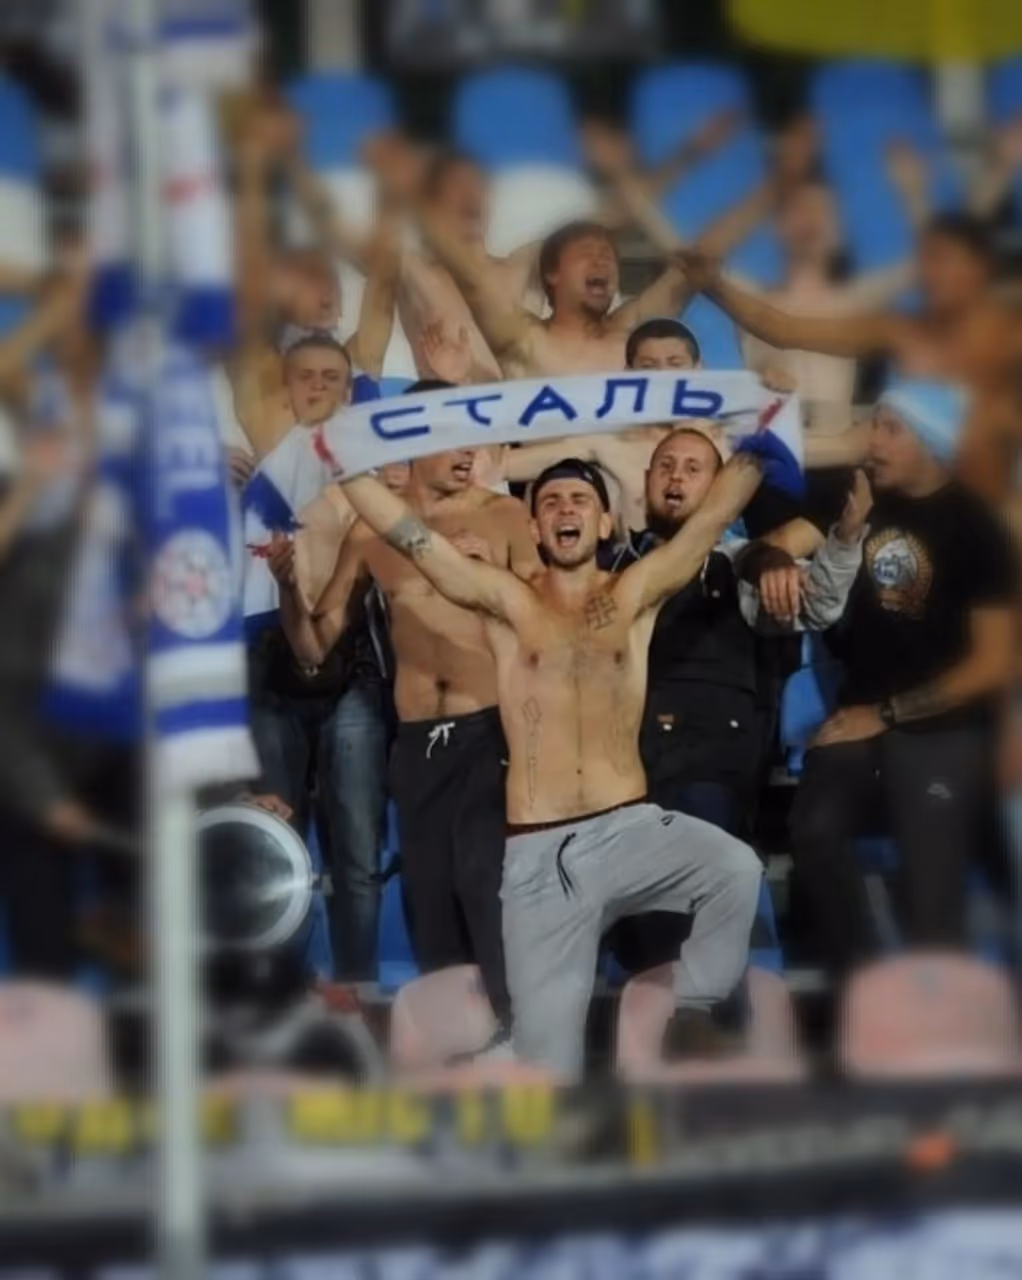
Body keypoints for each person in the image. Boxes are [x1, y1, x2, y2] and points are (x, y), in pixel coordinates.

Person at [336, 437, 795, 1077]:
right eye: (550, 502)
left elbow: (707, 524)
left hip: (629, 829)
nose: (565, 509)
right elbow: (414, 540)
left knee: (736, 869)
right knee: (548, 1067)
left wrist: (755, 448)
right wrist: (341, 464)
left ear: (605, 522)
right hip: (539, 856)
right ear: (533, 527)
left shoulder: (634, 594)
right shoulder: (507, 602)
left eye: (580, 499)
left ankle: (690, 1007)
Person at [272, 388, 543, 1022]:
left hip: (491, 732)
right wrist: (288, 589)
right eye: (452, 437)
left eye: (473, 438)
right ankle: (453, 1043)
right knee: (430, 903)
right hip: (418, 742)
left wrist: (493, 578)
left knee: (484, 883)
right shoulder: (373, 532)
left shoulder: (505, 515)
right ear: (412, 442)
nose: (469, 452)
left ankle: (514, 1033)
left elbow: (547, 620)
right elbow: (314, 645)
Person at [607, 428, 870, 972]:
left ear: (720, 489)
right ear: (646, 481)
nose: (676, 477)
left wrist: (844, 538)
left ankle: (696, 1010)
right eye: (666, 466)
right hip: (622, 770)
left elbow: (816, 606)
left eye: (694, 468)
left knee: (686, 905)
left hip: (708, 768)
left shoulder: (744, 563)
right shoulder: (609, 567)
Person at [786, 381, 1017, 977]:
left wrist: (885, 714)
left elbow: (993, 663)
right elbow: (778, 546)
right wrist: (768, 564)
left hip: (943, 729)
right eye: (874, 425)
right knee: (814, 830)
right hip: (858, 717)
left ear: (932, 442)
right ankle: (860, 988)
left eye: (891, 428)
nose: (874, 441)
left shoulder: (976, 526)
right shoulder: (859, 495)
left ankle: (937, 1003)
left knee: (928, 889)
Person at [587, 119, 931, 432]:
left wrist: (914, 193)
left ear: (839, 232)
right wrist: (622, 176)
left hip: (835, 449)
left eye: (822, 211)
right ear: (778, 227)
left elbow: (929, 267)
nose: (810, 219)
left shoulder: (856, 299)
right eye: (799, 209)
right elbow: (684, 257)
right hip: (772, 448)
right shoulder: (752, 298)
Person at [676, 212, 1022, 505]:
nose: (930, 274)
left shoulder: (1011, 336)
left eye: (942, 259)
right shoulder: (900, 331)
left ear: (979, 267)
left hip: (993, 497)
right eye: (927, 261)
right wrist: (713, 285)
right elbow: (784, 330)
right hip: (911, 497)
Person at [230, 106, 399, 460]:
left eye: (331, 282)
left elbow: (384, 277)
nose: (328, 290)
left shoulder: (355, 366)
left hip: (361, 496)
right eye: (313, 278)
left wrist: (388, 182)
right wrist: (253, 162)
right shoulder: (265, 378)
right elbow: (251, 275)